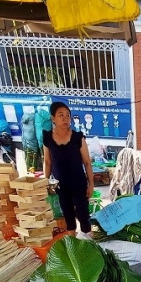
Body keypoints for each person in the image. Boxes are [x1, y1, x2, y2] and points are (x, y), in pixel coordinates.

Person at [43, 101, 93, 236]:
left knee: (84, 217)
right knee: (69, 219)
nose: (65, 118)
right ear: (53, 118)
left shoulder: (78, 137)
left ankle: (89, 245)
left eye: (67, 115)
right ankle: (72, 247)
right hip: (61, 186)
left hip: (79, 183)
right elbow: (47, 162)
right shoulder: (47, 137)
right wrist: (44, 183)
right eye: (61, 115)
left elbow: (87, 162)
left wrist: (91, 185)